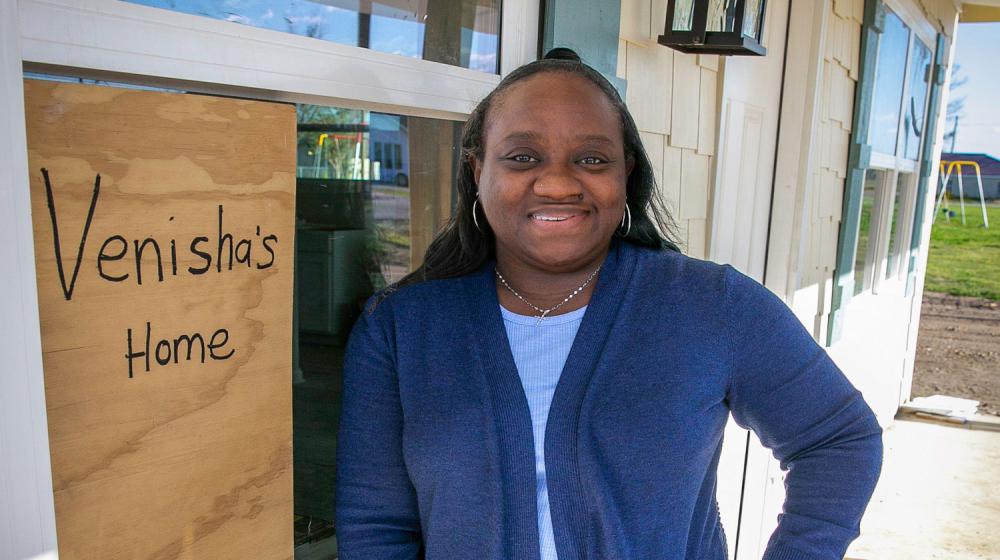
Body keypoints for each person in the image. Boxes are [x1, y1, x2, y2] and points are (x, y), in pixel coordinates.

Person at [335, 48, 883, 560]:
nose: (555, 183)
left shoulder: (710, 306)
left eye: (592, 159)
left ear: (626, 176)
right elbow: (376, 525)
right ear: (480, 171)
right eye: (523, 156)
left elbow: (838, 440)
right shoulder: (402, 329)